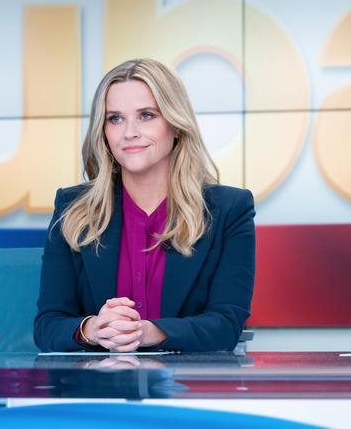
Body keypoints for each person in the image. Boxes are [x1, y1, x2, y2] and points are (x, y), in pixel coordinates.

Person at [34, 58, 255, 353]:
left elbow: (226, 325)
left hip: (189, 380)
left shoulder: (230, 210)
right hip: (96, 380)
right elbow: (48, 326)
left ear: (176, 125)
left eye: (146, 115)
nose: (129, 132)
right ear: (103, 131)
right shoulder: (73, 208)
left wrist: (148, 332)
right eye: (115, 118)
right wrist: (94, 329)